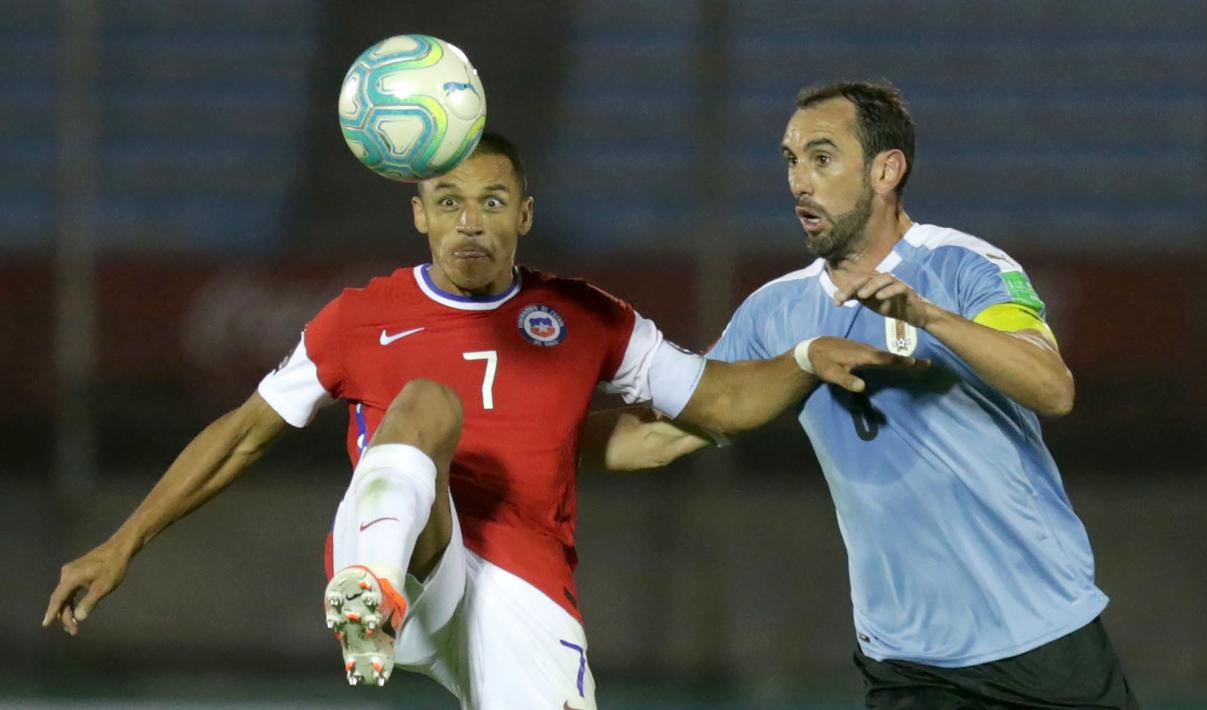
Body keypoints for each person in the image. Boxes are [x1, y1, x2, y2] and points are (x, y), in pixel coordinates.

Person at [42, 132, 922, 708]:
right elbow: (240, 434)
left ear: (524, 216)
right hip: (406, 559)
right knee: (425, 404)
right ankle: (371, 596)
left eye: (493, 202)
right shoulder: (358, 317)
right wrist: (122, 544)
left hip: (528, 589)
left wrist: (805, 359)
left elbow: (716, 401)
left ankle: (377, 602)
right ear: (419, 214)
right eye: (451, 202)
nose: (471, 223)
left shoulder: (588, 319)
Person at [585, 82, 1139, 708]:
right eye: (791, 160)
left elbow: (1052, 387)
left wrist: (931, 318)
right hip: (907, 665)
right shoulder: (774, 313)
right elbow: (659, 437)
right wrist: (513, 440)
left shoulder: (964, 267)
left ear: (886, 169)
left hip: (1041, 641)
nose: (799, 180)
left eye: (821, 158)